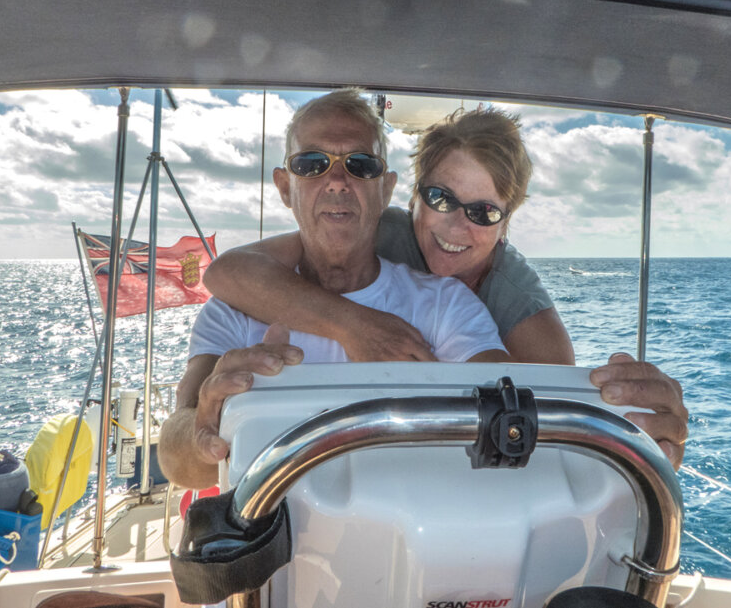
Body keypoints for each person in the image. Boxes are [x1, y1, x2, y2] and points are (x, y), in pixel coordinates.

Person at [202, 100, 687, 469]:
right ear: (409, 197)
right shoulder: (373, 224)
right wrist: (356, 326)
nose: (456, 227)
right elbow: (228, 274)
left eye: (483, 212)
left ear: (506, 223)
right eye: (440, 198)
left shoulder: (519, 307)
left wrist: (637, 431)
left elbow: (546, 436)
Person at [158, 90, 509, 489]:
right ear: (285, 187)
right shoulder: (232, 312)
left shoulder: (446, 305)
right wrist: (205, 427)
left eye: (360, 165)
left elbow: (509, 411)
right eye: (311, 164)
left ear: (386, 189)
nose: (337, 181)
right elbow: (176, 460)